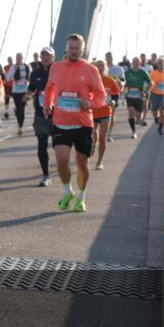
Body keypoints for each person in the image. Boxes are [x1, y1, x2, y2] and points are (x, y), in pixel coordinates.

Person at [43, 34, 107, 213]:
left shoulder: (90, 69)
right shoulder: (56, 67)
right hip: (61, 121)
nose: (74, 51)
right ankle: (67, 191)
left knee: (82, 163)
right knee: (61, 161)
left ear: (82, 50)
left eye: (77, 48)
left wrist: (90, 104)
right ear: (66, 49)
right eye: (71, 48)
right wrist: (47, 103)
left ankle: (81, 197)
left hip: (83, 123)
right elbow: (50, 87)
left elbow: (101, 95)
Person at [25, 46, 55, 186]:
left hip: (57, 115)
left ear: (53, 57)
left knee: (58, 146)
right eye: (43, 55)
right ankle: (46, 176)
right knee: (41, 148)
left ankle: (61, 167)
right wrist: (28, 95)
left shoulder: (58, 71)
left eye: (48, 55)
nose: (45, 57)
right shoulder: (35, 73)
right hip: (40, 114)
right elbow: (32, 88)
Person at [92, 60, 122, 170]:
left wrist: (114, 101)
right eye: (98, 66)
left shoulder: (110, 80)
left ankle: (100, 161)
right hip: (93, 111)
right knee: (93, 136)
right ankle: (93, 145)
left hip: (105, 111)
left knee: (102, 137)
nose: (100, 68)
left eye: (102, 66)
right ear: (94, 68)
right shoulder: (91, 80)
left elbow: (116, 94)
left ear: (105, 68)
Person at [123, 57, 151, 138]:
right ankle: (133, 132)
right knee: (131, 112)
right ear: (132, 63)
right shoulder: (127, 72)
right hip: (130, 95)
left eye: (137, 61)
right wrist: (123, 90)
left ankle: (138, 120)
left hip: (139, 95)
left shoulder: (143, 72)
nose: (135, 63)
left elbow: (150, 83)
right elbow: (123, 82)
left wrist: (145, 92)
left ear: (140, 63)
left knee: (138, 115)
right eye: (134, 61)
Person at [7, 53, 31, 135]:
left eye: (20, 58)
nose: (18, 59)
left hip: (24, 91)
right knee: (18, 108)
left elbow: (31, 77)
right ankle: (19, 122)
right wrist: (14, 70)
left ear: (22, 58)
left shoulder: (27, 67)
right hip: (16, 91)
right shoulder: (13, 67)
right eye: (17, 58)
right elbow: (7, 78)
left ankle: (20, 127)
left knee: (21, 109)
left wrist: (30, 90)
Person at [104, 52, 125, 141]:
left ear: (113, 58)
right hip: (103, 94)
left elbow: (123, 81)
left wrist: (121, 83)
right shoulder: (102, 68)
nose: (109, 58)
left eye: (110, 57)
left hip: (114, 94)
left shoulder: (118, 69)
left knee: (112, 113)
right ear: (105, 58)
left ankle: (109, 134)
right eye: (107, 57)